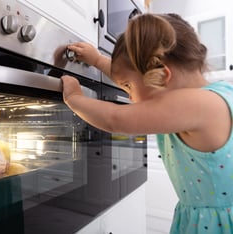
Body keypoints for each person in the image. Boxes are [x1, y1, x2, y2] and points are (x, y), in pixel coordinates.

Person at [61, 13, 233, 234]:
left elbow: (116, 119)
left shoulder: (195, 103)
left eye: (128, 87)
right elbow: (138, 81)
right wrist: (96, 60)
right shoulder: (212, 95)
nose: (129, 96)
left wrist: (74, 99)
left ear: (162, 76)